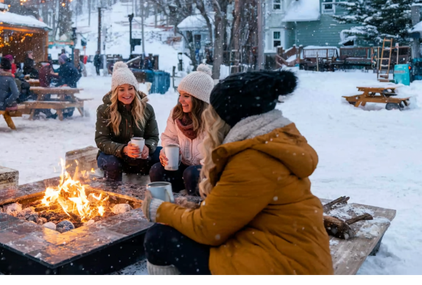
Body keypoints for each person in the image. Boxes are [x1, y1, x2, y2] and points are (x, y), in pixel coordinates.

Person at [141, 70, 334, 278]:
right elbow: (236, 207)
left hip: (280, 267)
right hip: (286, 253)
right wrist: (194, 208)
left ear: (228, 116)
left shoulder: (254, 160)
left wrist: (159, 209)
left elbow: (209, 229)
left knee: (159, 238)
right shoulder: (268, 144)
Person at [149, 64, 213, 196]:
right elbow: (169, 137)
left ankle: (194, 209)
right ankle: (161, 206)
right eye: (180, 95)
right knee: (157, 170)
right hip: (183, 166)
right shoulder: (177, 113)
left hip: (207, 170)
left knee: (191, 173)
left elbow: (216, 152)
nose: (180, 100)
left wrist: (199, 166)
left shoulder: (213, 119)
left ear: (199, 99)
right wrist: (168, 153)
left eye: (186, 96)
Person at [95, 61, 160, 181]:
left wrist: (148, 147)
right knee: (112, 163)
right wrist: (123, 149)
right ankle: (113, 195)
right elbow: (101, 140)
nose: (127, 93)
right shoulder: (104, 110)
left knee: (161, 154)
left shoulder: (147, 109)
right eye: (121, 89)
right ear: (115, 91)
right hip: (114, 155)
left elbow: (153, 137)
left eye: (130, 88)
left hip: (138, 155)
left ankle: (159, 193)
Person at [56, 53, 81, 119]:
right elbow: (61, 74)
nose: (59, 61)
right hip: (68, 85)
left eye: (60, 60)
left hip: (69, 86)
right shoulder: (66, 65)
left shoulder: (68, 66)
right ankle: (65, 111)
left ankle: (67, 112)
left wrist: (68, 83)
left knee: (68, 98)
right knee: (66, 97)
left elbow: (76, 76)